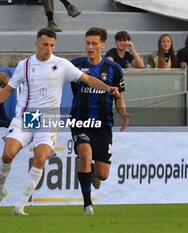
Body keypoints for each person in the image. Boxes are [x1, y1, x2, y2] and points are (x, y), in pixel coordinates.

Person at [0, 28, 120, 216]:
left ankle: (20, 205)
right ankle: (1, 191)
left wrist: (108, 88)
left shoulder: (62, 65)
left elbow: (88, 79)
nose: (48, 49)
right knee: (8, 155)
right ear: (36, 44)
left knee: (40, 158)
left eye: (51, 45)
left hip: (48, 118)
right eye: (44, 45)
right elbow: (10, 88)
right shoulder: (24, 65)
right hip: (28, 117)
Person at [71, 27, 130, 215]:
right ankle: (87, 205)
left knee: (102, 175)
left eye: (94, 43)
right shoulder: (76, 66)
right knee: (85, 156)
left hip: (103, 124)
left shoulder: (114, 69)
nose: (90, 47)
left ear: (102, 45)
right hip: (80, 120)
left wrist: (123, 113)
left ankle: (91, 170)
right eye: (87, 43)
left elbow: (118, 96)